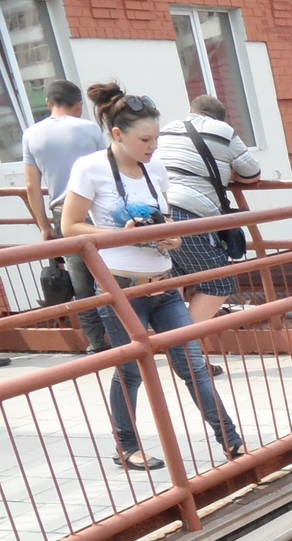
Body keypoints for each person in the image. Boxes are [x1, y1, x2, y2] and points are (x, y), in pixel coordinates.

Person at [60, 83, 245, 472]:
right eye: (145, 139)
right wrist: (120, 235)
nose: (152, 146)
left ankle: (231, 441)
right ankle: (126, 447)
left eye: (156, 138)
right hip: (120, 288)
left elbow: (165, 222)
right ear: (117, 134)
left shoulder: (155, 168)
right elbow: (70, 226)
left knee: (192, 364)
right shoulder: (90, 168)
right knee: (130, 371)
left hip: (164, 282)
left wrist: (171, 237)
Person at [21, 79, 110, 353]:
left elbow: (31, 186)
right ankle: (123, 337)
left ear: (48, 104)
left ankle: (96, 343)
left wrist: (43, 225)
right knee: (110, 276)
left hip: (63, 214)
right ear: (79, 105)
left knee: (81, 282)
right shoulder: (89, 128)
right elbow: (108, 168)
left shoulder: (31, 134)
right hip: (97, 211)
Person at [155, 93, 260, 323]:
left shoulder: (167, 129)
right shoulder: (223, 131)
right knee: (220, 282)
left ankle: (181, 352)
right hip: (191, 213)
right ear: (220, 118)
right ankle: (183, 346)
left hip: (158, 213)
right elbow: (252, 173)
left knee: (174, 279)